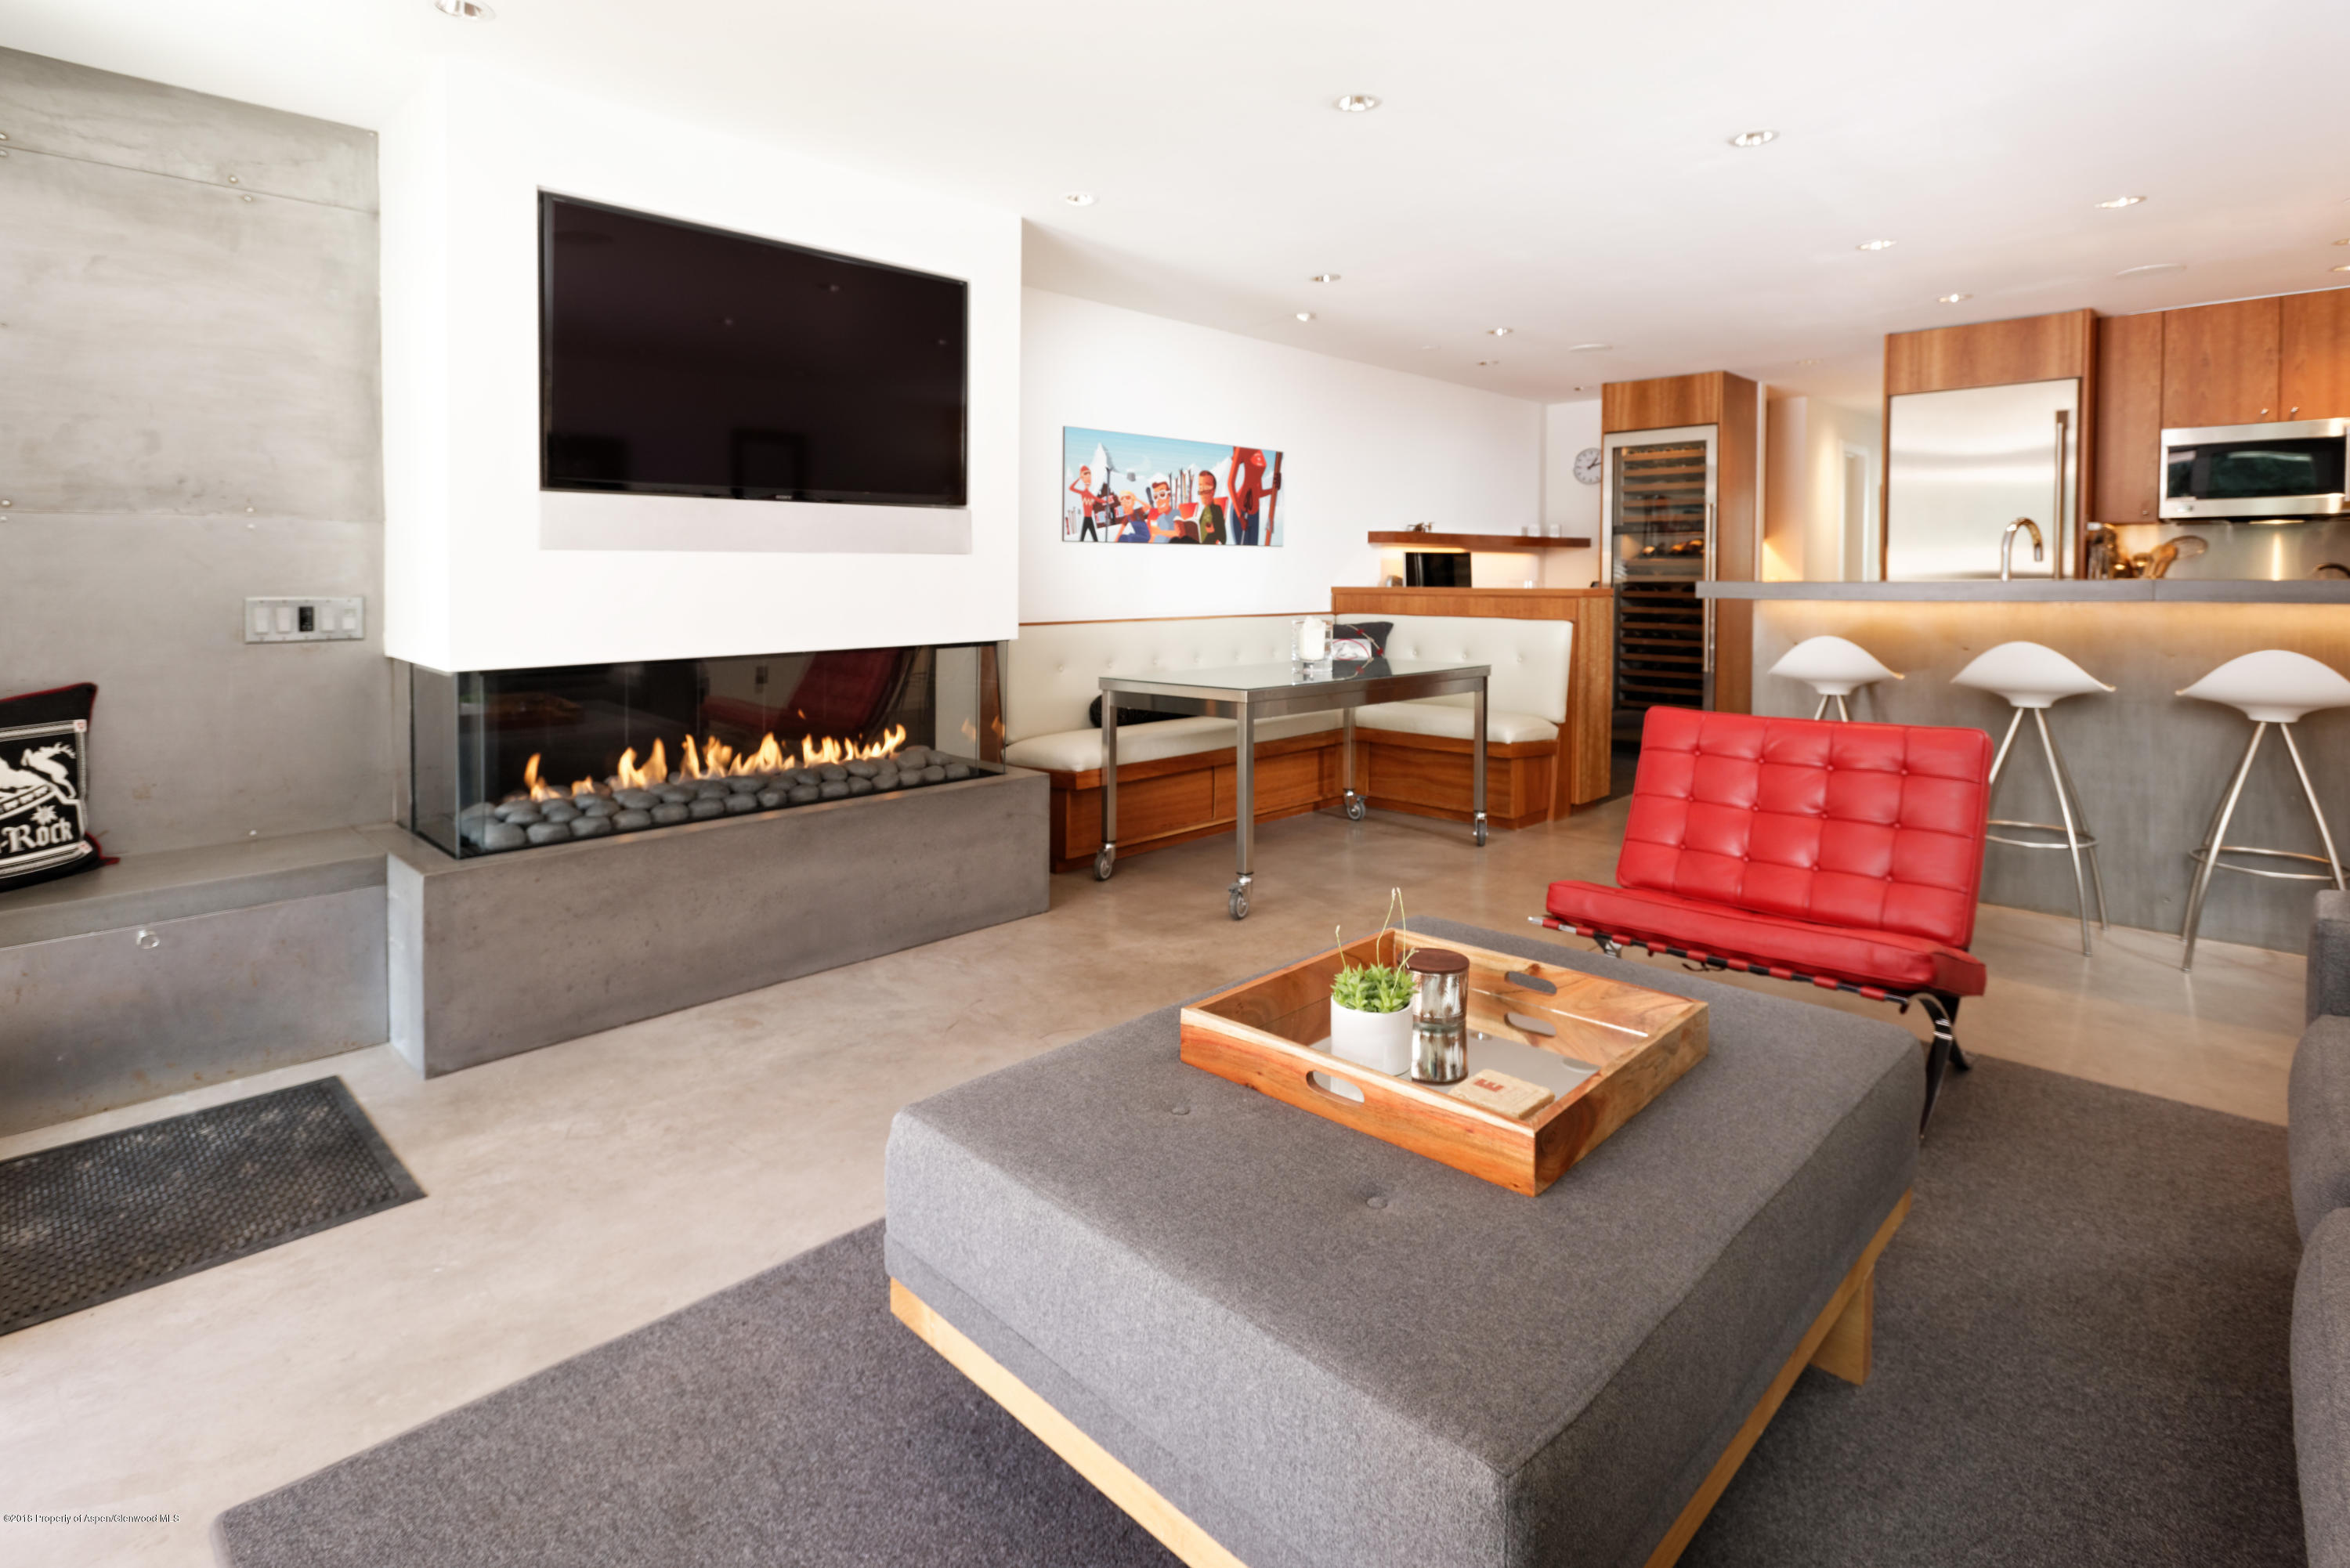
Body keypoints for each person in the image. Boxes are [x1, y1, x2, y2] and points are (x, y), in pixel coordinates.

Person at [1226, 447, 1271, 546]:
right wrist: (1240, 516)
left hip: (1255, 512)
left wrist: (1275, 489)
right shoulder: (1241, 450)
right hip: (1241, 509)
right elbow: (1230, 483)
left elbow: (1259, 492)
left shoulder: (1260, 452)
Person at [1191, 468, 1227, 546]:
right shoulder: (1204, 511)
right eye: (1201, 488)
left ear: (1213, 491)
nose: (1203, 493)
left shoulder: (1217, 510)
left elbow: (1223, 538)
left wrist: (1213, 531)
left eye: (1207, 488)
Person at [1067, 464, 1094, 540]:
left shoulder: (1090, 494)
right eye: (1086, 476)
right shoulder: (1083, 493)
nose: (1088, 479)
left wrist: (1106, 501)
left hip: (1090, 518)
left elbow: (1098, 499)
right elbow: (1071, 488)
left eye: (1089, 476)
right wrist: (1079, 478)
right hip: (1086, 518)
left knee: (1093, 537)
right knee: (1082, 537)